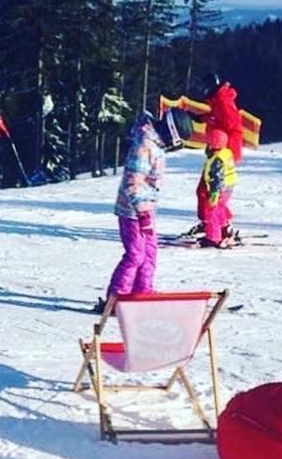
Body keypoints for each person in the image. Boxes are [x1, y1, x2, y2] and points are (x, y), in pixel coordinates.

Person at [104, 107, 195, 301]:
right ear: (170, 132)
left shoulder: (155, 145)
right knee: (136, 255)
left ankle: (141, 291)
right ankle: (116, 297)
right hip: (131, 211)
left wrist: (147, 211)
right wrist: (142, 212)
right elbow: (133, 181)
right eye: (176, 141)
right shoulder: (145, 146)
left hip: (146, 210)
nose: (174, 146)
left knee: (150, 252)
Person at [192, 73, 244, 237]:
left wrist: (221, 148)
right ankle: (214, 223)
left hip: (223, 153)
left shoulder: (222, 101)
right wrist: (205, 118)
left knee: (209, 192)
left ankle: (218, 226)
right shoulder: (219, 100)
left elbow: (232, 124)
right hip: (220, 151)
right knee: (207, 191)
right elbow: (220, 118)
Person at [200, 128, 238, 248]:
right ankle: (223, 229)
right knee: (220, 209)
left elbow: (217, 177)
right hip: (228, 187)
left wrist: (214, 193)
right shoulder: (225, 153)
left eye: (208, 143)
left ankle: (213, 237)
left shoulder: (217, 159)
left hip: (219, 189)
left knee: (212, 212)